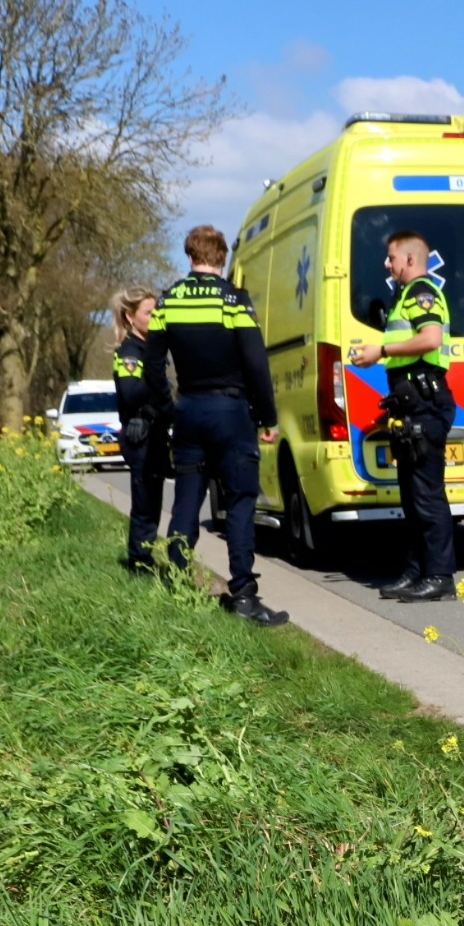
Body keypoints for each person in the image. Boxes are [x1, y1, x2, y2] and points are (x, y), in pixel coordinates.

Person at [143, 224, 288, 626]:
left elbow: (152, 365)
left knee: (186, 501)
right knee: (240, 502)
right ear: (221, 257)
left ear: (190, 256)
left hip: (188, 410)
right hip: (231, 413)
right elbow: (256, 363)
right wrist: (268, 417)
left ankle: (174, 585)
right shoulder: (234, 300)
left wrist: (169, 409)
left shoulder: (169, 301)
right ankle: (243, 595)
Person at [348, 230, 456, 602]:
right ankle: (416, 572)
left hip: (427, 405)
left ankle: (440, 576)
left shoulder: (422, 293)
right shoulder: (404, 297)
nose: (387, 263)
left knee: (427, 496)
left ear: (410, 259)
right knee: (411, 498)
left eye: (391, 257)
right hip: (411, 405)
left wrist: (382, 350)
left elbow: (430, 339)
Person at [110, 285, 176, 575]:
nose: (154, 318)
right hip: (141, 436)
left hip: (157, 436)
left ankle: (145, 559)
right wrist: (154, 379)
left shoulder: (152, 350)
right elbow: (131, 393)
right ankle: (139, 565)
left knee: (154, 503)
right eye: (149, 313)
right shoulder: (130, 353)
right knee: (145, 505)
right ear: (130, 316)